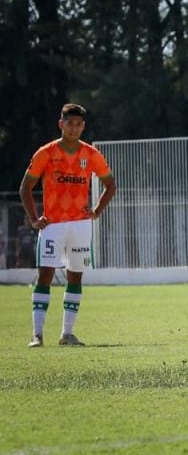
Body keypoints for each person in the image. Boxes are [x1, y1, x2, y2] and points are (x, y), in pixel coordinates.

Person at [19, 103, 117, 348]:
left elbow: (110, 185)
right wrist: (34, 218)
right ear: (60, 124)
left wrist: (95, 211)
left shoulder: (91, 154)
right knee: (45, 275)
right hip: (52, 225)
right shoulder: (46, 152)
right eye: (69, 124)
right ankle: (37, 335)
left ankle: (67, 333)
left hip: (81, 226)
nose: (74, 129)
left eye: (78, 125)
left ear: (83, 127)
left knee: (76, 276)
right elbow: (25, 188)